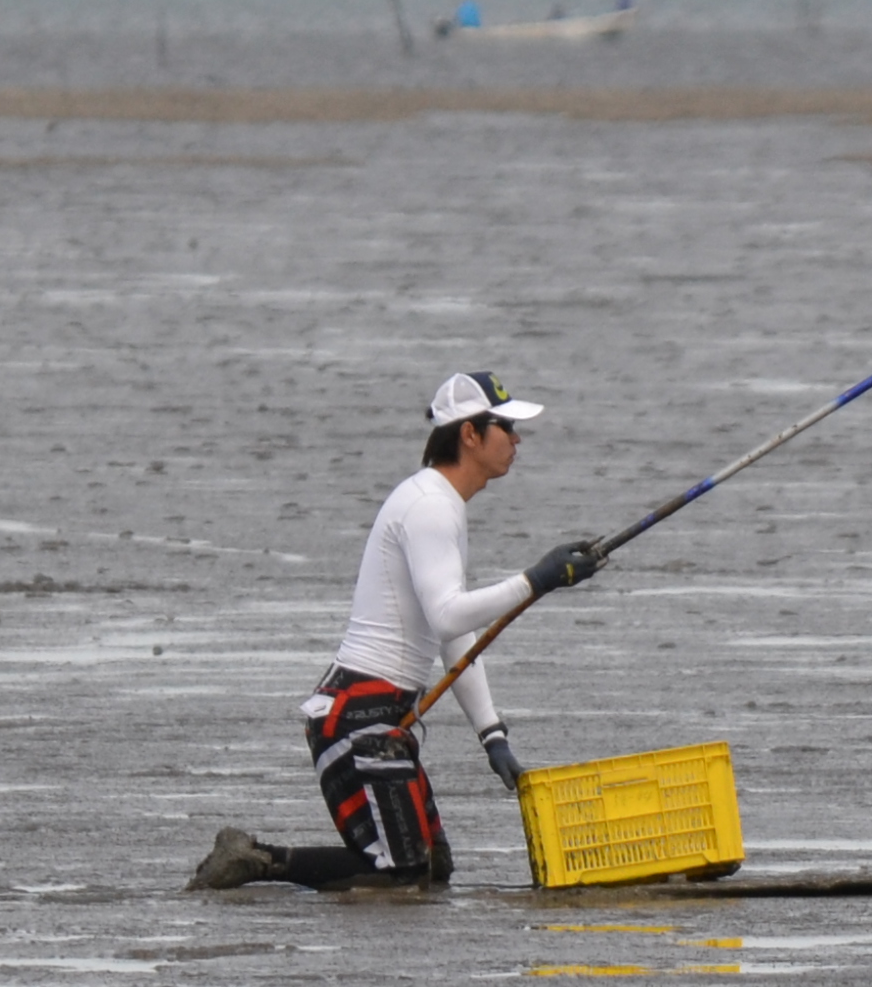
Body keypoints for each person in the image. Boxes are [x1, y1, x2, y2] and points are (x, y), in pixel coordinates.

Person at [194, 370, 603, 892]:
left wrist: (492, 734)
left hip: (381, 718)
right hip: (356, 719)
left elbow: (453, 636)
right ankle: (255, 860)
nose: (517, 439)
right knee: (402, 876)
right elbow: (450, 617)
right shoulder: (430, 506)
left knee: (434, 868)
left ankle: (267, 862)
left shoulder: (441, 503)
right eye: (505, 427)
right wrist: (536, 580)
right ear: (470, 435)